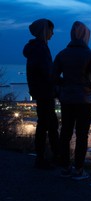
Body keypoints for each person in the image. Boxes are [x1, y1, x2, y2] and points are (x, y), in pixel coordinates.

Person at [53, 21, 91, 180]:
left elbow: (52, 76)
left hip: (67, 99)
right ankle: (79, 169)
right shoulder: (90, 55)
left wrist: (64, 86)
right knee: (82, 134)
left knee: (65, 133)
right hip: (84, 100)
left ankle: (65, 167)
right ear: (86, 36)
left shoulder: (62, 54)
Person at [23, 18, 59, 169]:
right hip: (45, 92)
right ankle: (48, 158)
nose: (52, 33)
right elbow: (47, 72)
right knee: (47, 124)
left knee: (47, 124)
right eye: (51, 30)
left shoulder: (35, 48)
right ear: (45, 31)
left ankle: (46, 157)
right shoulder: (41, 49)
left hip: (40, 91)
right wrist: (59, 83)